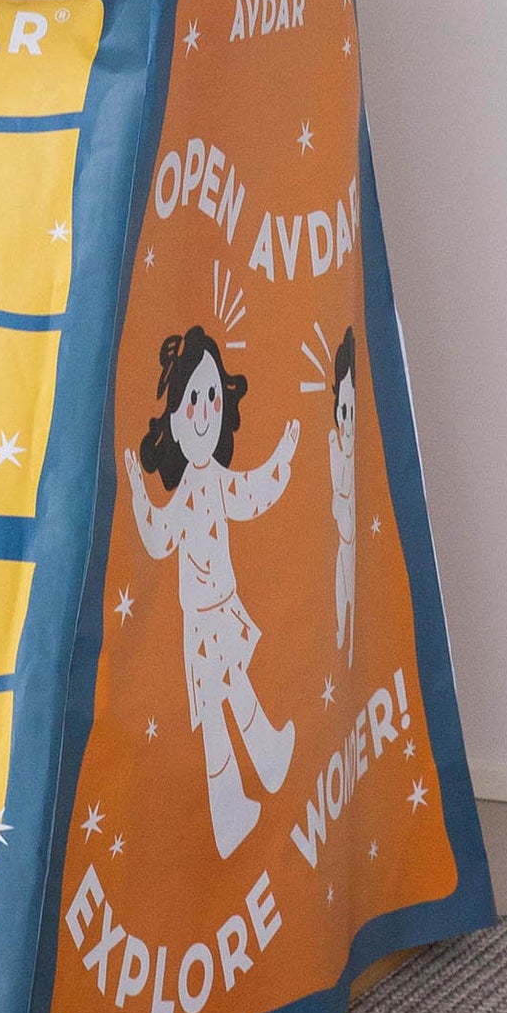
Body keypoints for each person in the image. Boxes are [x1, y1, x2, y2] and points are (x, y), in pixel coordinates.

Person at [123, 327, 299, 860]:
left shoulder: (216, 480)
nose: (203, 411)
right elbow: (156, 538)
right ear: (175, 419)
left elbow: (253, 493)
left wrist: (282, 459)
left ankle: (264, 762)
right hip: (202, 617)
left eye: (211, 397)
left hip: (218, 608)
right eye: (192, 400)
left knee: (234, 689)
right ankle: (231, 806)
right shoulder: (192, 490)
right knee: (218, 709)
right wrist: (136, 490)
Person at [330, 327, 358, 665]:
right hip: (341, 546)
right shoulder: (339, 451)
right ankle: (341, 638)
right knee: (341, 593)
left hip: (349, 544)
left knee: (351, 593)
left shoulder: (350, 452)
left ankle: (347, 646)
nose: (347, 423)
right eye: (343, 412)